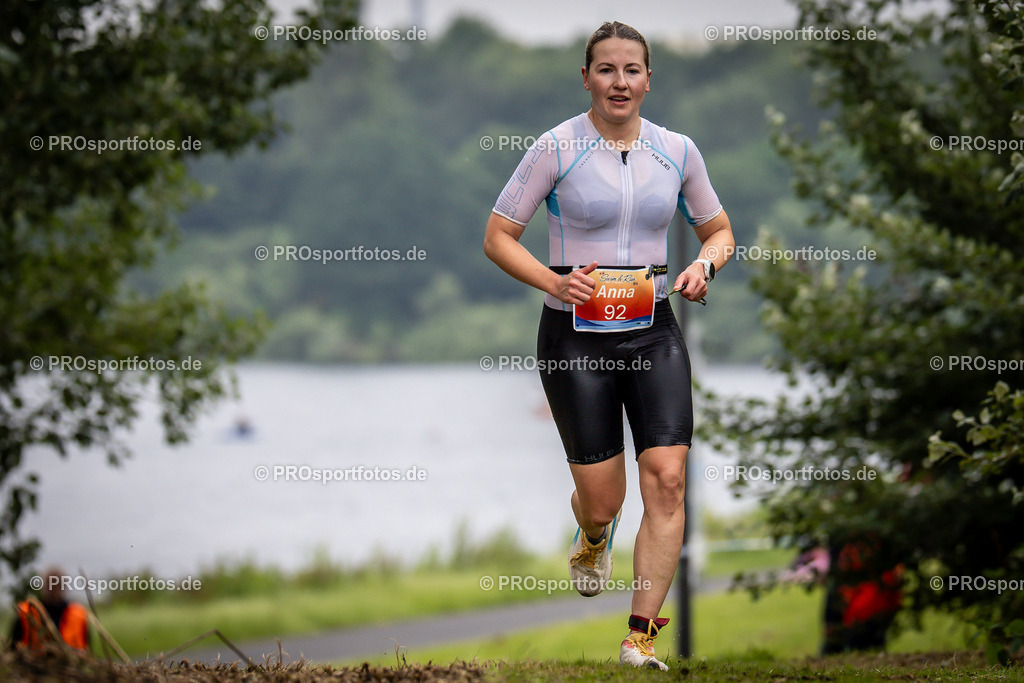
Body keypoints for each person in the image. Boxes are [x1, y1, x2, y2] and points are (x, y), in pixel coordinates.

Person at [484, 20, 734, 670]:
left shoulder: (677, 150)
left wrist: (703, 268)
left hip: (652, 330)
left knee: (669, 480)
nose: (619, 82)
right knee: (605, 497)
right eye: (606, 70)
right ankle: (594, 532)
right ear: (588, 77)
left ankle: (639, 636)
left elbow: (720, 231)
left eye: (632, 70)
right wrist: (554, 282)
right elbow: (498, 235)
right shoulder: (554, 147)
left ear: (649, 79)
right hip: (576, 335)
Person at [10, 566, 90, 652]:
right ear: (43, 586)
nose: (54, 589)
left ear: (65, 586)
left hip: (71, 664)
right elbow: (13, 648)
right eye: (50, 584)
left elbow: (87, 648)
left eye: (58, 585)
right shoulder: (27, 612)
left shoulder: (78, 614)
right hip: (33, 664)